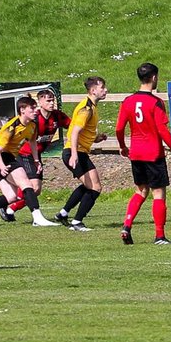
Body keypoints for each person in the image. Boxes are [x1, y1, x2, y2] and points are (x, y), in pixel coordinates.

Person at [116, 63, 171, 245]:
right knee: (158, 193)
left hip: (136, 153)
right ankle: (159, 236)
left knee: (140, 190)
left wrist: (123, 146)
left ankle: (127, 225)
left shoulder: (128, 101)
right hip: (153, 154)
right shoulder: (155, 102)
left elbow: (118, 128)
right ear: (154, 78)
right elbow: (162, 130)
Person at [0, 97, 60, 228]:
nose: (35, 110)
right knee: (26, 184)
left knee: (11, 197)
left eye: (35, 107)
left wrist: (36, 160)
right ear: (22, 110)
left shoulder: (32, 125)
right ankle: (37, 218)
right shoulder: (11, 127)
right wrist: (2, 167)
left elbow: (32, 141)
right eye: (32, 108)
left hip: (7, 158)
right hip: (0, 158)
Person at [4, 88, 71, 221]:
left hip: (35, 155)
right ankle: (11, 209)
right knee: (33, 188)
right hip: (24, 154)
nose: (52, 103)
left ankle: (9, 206)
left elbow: (73, 126)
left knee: (37, 190)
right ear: (40, 102)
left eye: (53, 100)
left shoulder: (57, 116)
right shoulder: (34, 118)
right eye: (48, 101)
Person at [56, 76, 108, 231]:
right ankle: (77, 222)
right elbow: (74, 133)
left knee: (89, 186)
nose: (106, 90)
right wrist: (74, 154)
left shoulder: (92, 107)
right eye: (102, 87)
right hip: (75, 152)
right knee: (95, 187)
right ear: (93, 90)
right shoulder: (86, 109)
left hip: (78, 151)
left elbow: (83, 133)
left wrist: (97, 138)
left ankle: (63, 214)